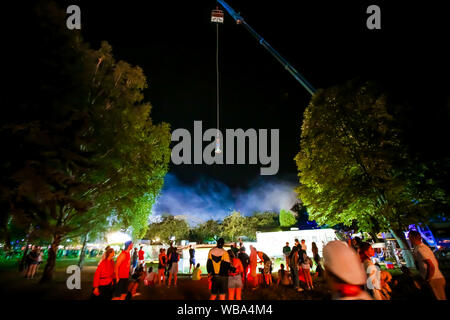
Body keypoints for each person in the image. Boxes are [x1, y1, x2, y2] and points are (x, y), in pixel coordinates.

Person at [409, 230, 447, 300]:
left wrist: (428, 279)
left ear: (413, 238)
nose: (409, 239)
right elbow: (435, 262)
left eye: (409, 237)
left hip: (434, 280)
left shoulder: (421, 249)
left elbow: (431, 265)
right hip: (435, 278)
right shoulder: (424, 247)